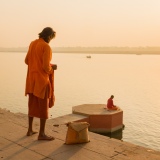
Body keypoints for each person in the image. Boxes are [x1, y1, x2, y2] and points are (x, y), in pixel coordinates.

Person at [25, 27, 56, 140]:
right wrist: (52, 69)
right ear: (49, 36)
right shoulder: (46, 46)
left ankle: (29, 130)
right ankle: (41, 134)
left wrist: (36, 65)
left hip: (31, 80)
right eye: (51, 38)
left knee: (32, 105)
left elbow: (27, 61)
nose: (51, 40)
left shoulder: (33, 43)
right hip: (42, 81)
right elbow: (45, 67)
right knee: (43, 107)